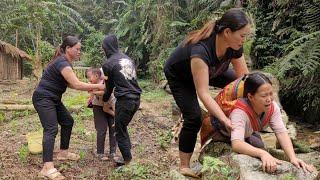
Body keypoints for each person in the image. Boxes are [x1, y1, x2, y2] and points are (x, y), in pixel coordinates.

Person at [163, 8, 250, 177]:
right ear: (227, 32)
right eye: (242, 35)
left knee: (240, 86)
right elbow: (203, 93)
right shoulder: (201, 51)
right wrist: (224, 120)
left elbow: (244, 79)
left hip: (211, 70)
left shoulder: (235, 45)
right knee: (193, 117)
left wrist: (257, 100)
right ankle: (184, 166)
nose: (244, 40)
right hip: (181, 76)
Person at [203, 72, 316, 173]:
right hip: (225, 138)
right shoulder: (239, 112)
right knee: (262, 154)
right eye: (264, 95)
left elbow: (281, 133)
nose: (269, 99)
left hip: (247, 135)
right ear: (250, 97)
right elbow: (237, 144)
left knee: (264, 150)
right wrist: (263, 154)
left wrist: (293, 158)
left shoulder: (273, 107)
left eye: (271, 94)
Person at [32, 36, 104, 180]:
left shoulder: (65, 63)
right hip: (44, 98)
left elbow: (72, 84)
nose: (79, 52)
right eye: (77, 49)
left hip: (53, 99)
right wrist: (98, 85)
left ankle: (63, 153)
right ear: (68, 49)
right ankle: (47, 167)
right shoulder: (62, 62)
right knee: (51, 129)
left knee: (67, 121)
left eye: (80, 49)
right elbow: (76, 84)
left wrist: (90, 87)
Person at [101, 34, 142, 166]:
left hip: (125, 101)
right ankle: (127, 153)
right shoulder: (127, 59)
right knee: (122, 127)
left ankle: (127, 160)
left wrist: (104, 100)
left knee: (119, 130)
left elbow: (109, 86)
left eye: (103, 48)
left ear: (106, 47)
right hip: (136, 99)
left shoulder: (108, 64)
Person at [86, 68, 117, 160]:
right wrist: (90, 99)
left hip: (110, 104)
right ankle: (100, 153)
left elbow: (105, 91)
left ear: (96, 76)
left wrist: (93, 91)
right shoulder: (92, 83)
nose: (88, 79)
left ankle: (113, 152)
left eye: (89, 77)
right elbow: (91, 93)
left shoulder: (105, 80)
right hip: (98, 106)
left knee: (113, 128)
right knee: (101, 129)